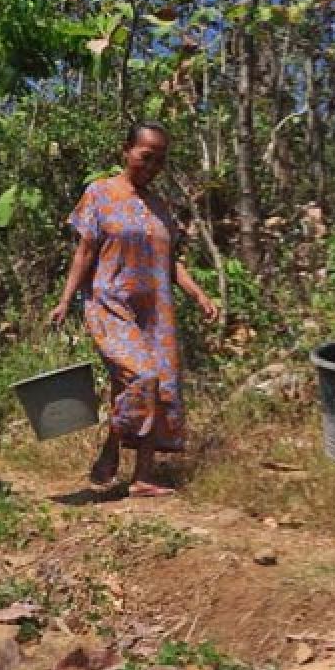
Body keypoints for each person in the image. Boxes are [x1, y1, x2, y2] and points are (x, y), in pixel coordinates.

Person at [49, 123, 219, 497]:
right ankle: (111, 446)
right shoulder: (100, 194)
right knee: (142, 376)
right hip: (110, 304)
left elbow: (171, 261)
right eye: (146, 156)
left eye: (160, 160)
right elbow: (85, 251)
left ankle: (144, 477)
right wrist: (65, 299)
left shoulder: (160, 207)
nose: (152, 165)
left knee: (163, 386)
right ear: (126, 150)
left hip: (157, 311)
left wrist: (199, 294)